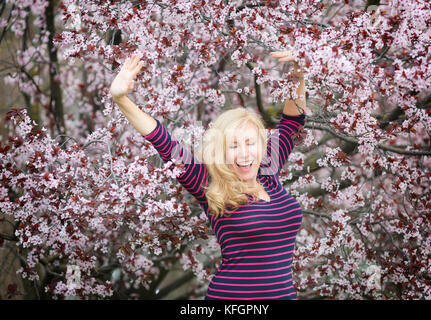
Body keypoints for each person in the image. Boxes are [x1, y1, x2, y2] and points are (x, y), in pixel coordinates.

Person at [110, 51, 308, 300]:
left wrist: (300, 70)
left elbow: (293, 120)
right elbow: (163, 141)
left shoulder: (268, 172)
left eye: (250, 143)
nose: (244, 154)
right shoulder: (210, 183)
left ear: (263, 144)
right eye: (233, 146)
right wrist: (121, 99)